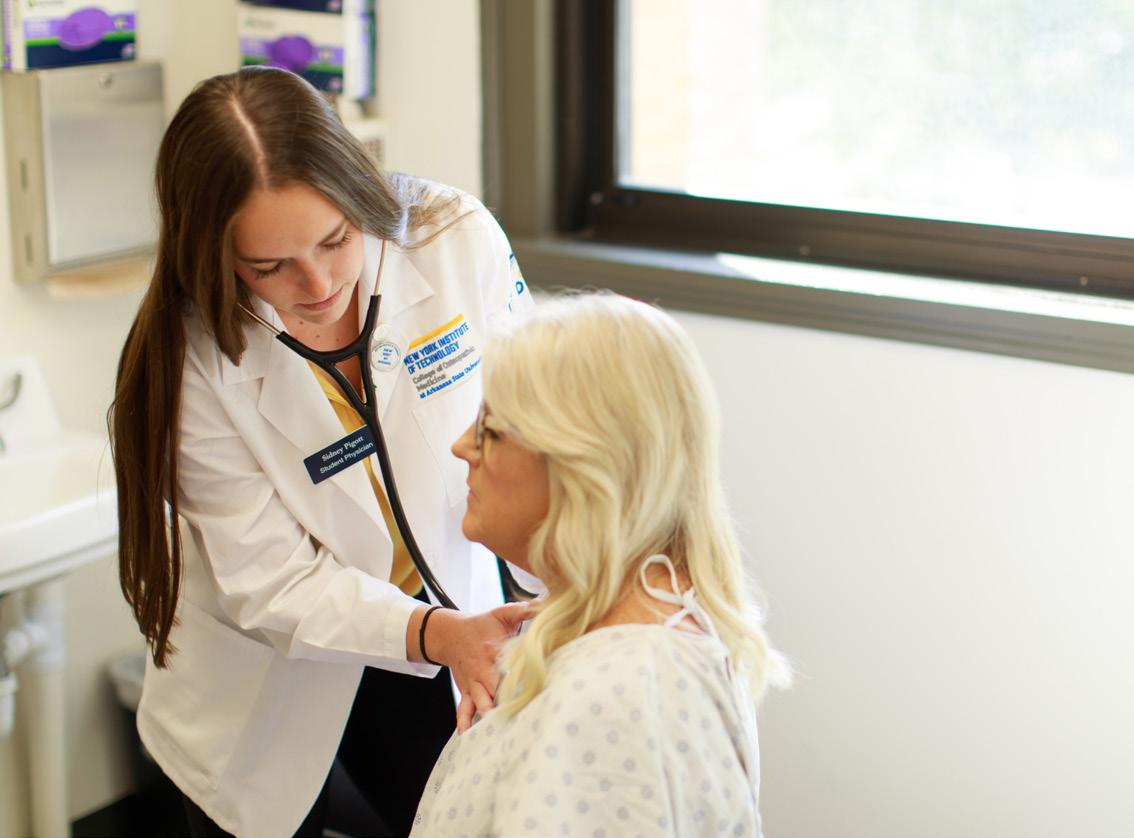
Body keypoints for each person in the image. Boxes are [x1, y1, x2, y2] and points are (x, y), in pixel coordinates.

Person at [109, 66, 538, 838]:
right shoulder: (189, 361)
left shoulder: (452, 239)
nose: (317, 283)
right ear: (213, 254)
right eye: (269, 266)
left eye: (336, 239)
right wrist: (440, 635)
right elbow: (273, 579)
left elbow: (540, 435)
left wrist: (567, 600)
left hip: (439, 626)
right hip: (264, 678)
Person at [410, 292, 791, 837]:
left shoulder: (613, 694)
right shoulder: (642, 624)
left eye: (488, 430)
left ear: (582, 467)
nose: (460, 448)